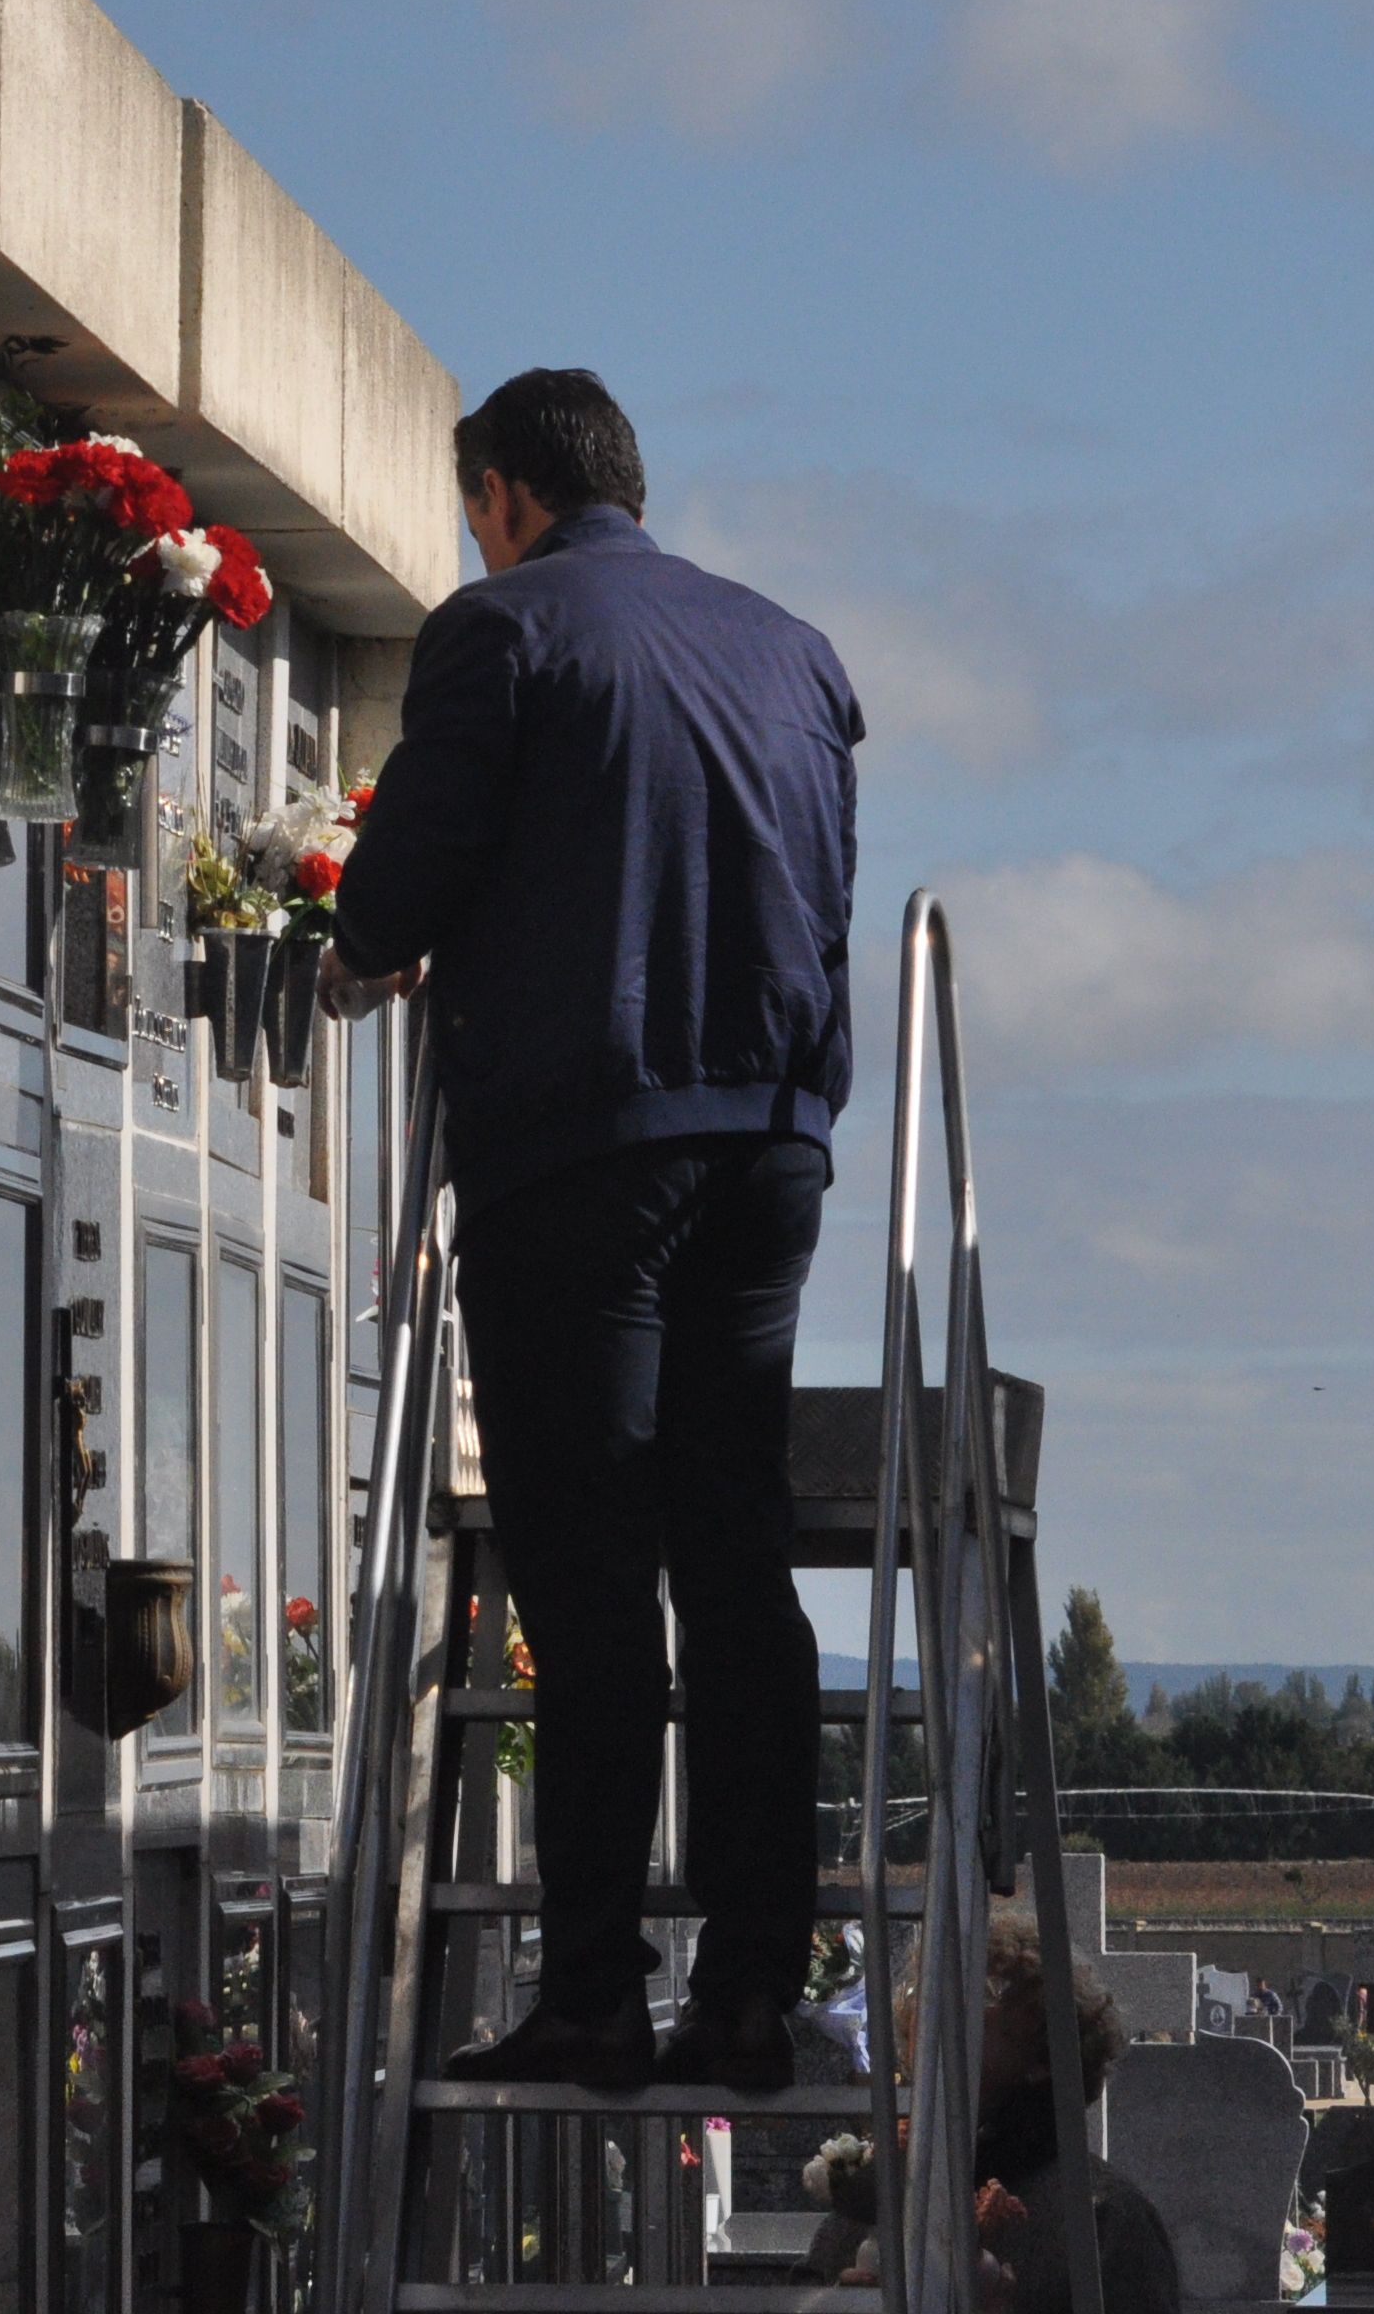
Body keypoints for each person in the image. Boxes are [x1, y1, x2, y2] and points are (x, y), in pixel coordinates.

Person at [332, 368, 865, 2092]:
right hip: (771, 1145)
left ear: (499, 494)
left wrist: (378, 935)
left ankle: (590, 1987)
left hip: (584, 1145)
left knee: (584, 1569)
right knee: (736, 1562)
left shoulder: (503, 633)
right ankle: (754, 1983)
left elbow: (399, 891)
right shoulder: (794, 651)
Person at [795, 1917, 1179, 2314]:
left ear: (1046, 2049)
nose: (935, 2004)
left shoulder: (1103, 2220)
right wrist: (838, 2304)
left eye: (984, 1991)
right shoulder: (882, 2193)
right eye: (923, 1988)